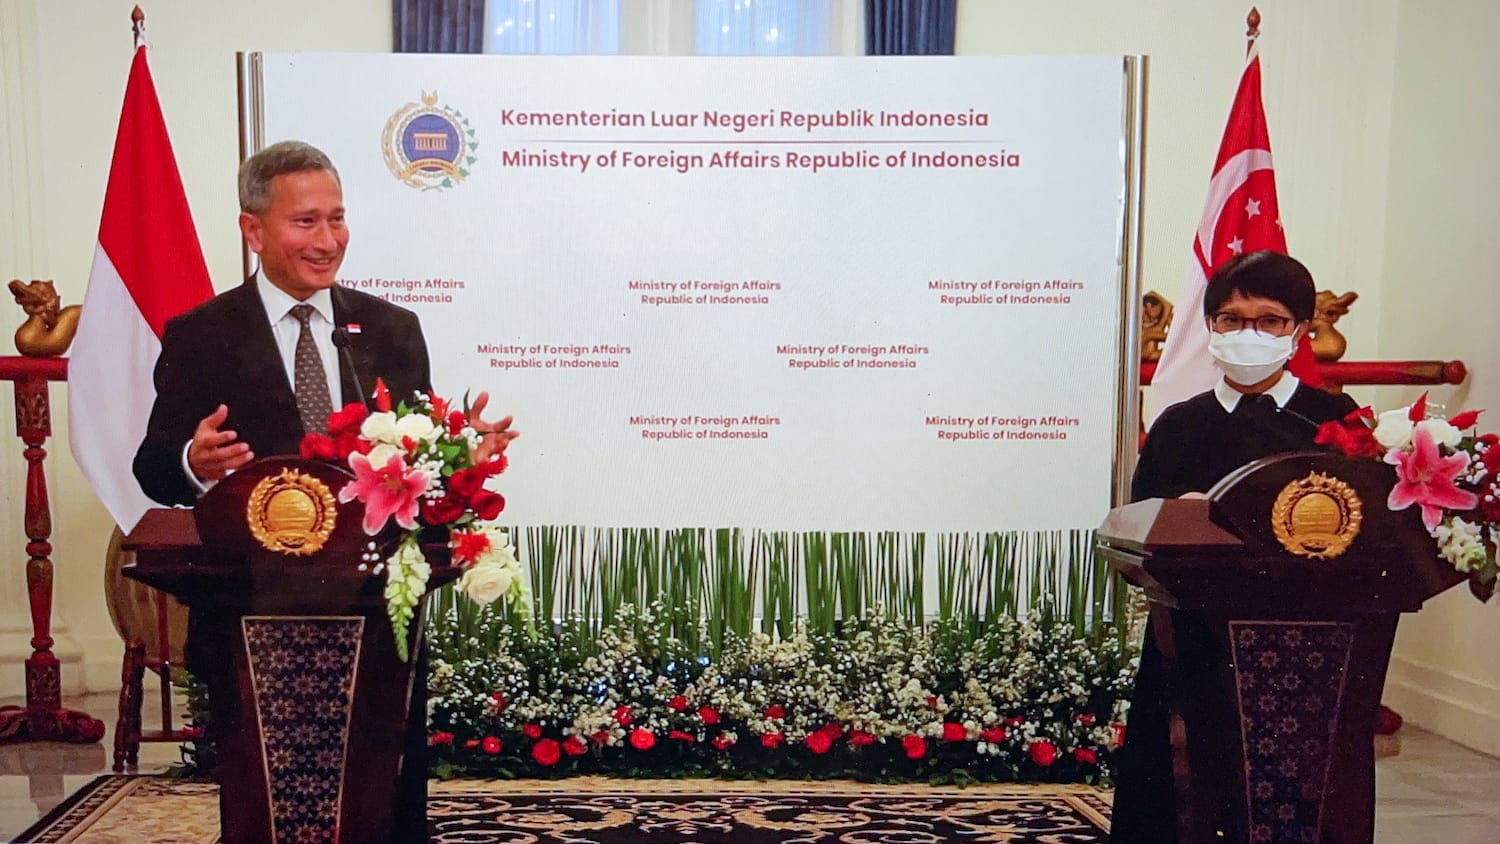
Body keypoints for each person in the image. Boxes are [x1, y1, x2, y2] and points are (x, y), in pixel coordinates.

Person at [132, 140, 515, 843]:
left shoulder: (392, 331)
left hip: (374, 617)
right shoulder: (202, 336)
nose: (328, 239)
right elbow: (153, 467)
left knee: (386, 804)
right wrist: (194, 458)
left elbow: (416, 463)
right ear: (254, 230)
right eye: (305, 222)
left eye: (337, 219)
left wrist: (460, 453)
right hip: (256, 616)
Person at [1109, 250, 1358, 843]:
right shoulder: (1178, 423)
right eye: (1231, 318)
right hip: (1190, 637)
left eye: (1269, 320)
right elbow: (1140, 534)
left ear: (1298, 330)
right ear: (1211, 326)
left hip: (1302, 646)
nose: (1249, 333)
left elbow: (1360, 530)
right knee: (1172, 789)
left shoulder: (1335, 421)